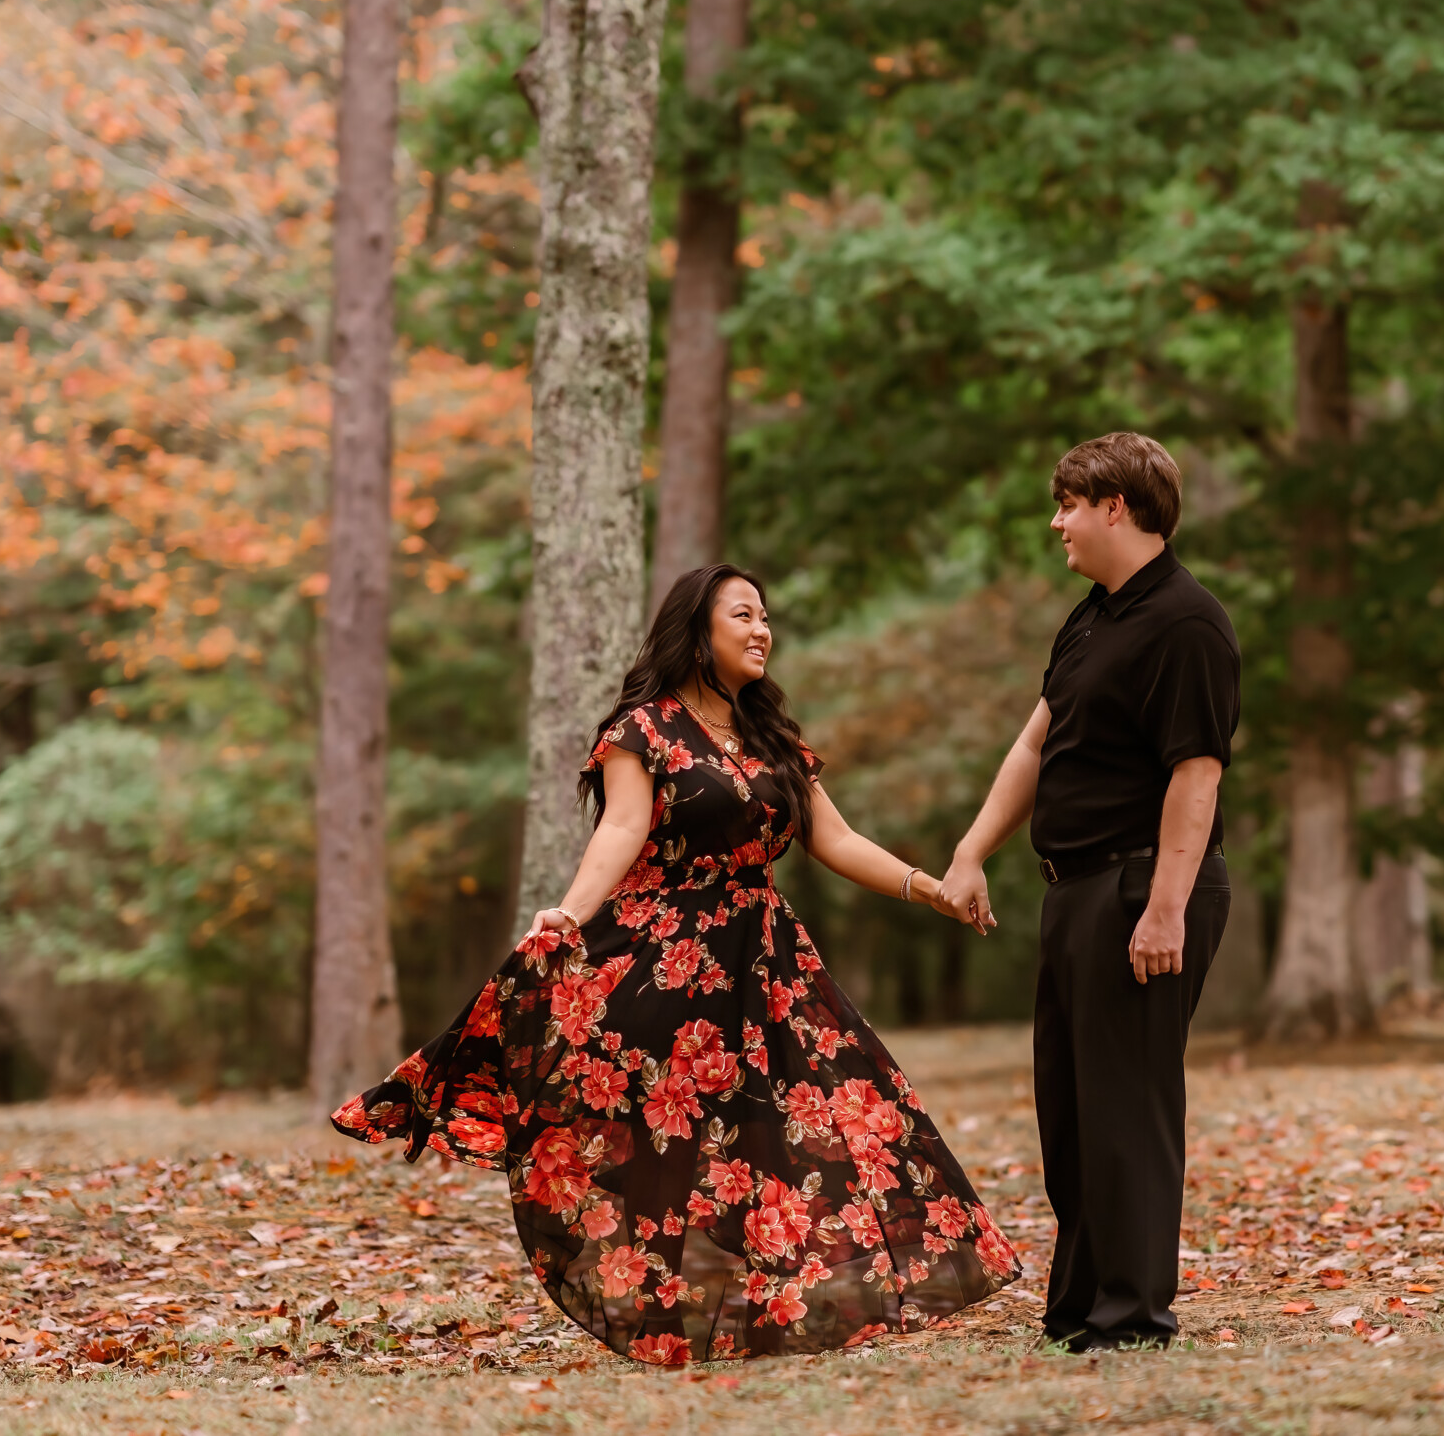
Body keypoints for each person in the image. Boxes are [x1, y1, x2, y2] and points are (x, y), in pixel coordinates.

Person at [332, 564, 1018, 1364]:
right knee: (667, 1137)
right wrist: (570, 911)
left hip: (767, 967)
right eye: (744, 615)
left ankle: (778, 1302)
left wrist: (926, 888)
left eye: (767, 617)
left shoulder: (773, 739)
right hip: (668, 961)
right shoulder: (642, 730)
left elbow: (834, 839)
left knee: (842, 1108)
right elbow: (620, 832)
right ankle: (661, 1310)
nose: (763, 630)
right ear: (698, 630)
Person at [941, 433, 1238, 1352]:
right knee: (1070, 1111)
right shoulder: (1092, 616)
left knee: (1128, 1109)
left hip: (1144, 883)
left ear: (1118, 507)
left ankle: (1134, 1316)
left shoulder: (1187, 622)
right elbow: (1037, 742)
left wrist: (1165, 907)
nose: (1057, 520)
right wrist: (971, 848)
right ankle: (1079, 1310)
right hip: (1073, 888)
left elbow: (1197, 771)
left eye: (1070, 503)